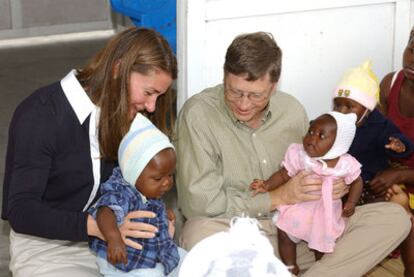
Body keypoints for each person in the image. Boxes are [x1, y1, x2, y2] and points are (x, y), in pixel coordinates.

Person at [174, 31, 411, 276]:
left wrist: (337, 186)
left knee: (394, 217)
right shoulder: (198, 115)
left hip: (304, 233)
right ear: (224, 76)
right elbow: (198, 204)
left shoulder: (292, 110)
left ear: (273, 85)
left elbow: (318, 164)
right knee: (197, 234)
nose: (243, 104)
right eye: (234, 92)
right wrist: (277, 197)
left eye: (255, 95)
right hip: (241, 231)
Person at [1, 27, 177, 277]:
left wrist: (154, 216)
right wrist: (99, 228)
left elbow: (138, 181)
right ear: (118, 69)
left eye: (159, 96)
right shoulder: (40, 114)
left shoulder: (132, 116)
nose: (151, 106)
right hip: (48, 248)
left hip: (118, 239)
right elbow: (21, 210)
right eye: (149, 93)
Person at [250, 112, 363, 275]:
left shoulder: (345, 164)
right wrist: (267, 184)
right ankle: (290, 266)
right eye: (311, 132)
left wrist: (351, 202)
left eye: (321, 136)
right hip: (300, 208)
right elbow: (284, 173)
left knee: (323, 243)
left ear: (338, 144)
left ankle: (321, 267)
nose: (312, 138)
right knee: (284, 232)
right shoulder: (301, 155)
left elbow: (357, 181)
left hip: (324, 214)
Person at [89, 113, 186, 276]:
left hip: (155, 254)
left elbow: (151, 208)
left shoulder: (147, 190)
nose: (167, 182)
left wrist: (163, 214)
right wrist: (114, 238)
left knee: (189, 261)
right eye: (158, 178)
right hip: (126, 261)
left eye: (170, 175)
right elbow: (104, 212)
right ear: (133, 173)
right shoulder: (123, 192)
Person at [332, 60, 414, 204]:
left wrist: (399, 146)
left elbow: (390, 136)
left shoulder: (380, 125)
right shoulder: (391, 83)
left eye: (349, 106)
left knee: (392, 200)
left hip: (378, 180)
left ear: (367, 109)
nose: (343, 111)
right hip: (353, 181)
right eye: (338, 105)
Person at [377, 26, 414, 277]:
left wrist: (399, 176)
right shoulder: (390, 83)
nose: (412, 59)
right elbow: (374, 138)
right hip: (393, 178)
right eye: (411, 48)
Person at [179, 216, 291, 277]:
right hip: (228, 221)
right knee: (196, 233)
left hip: (294, 233)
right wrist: (274, 197)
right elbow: (201, 204)